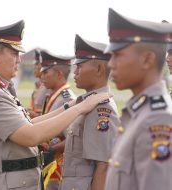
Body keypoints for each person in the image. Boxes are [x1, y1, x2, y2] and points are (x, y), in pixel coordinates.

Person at [0, 20, 111, 190]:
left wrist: (69, 106)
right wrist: (80, 108)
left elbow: (27, 124)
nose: (19, 60)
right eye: (14, 53)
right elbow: (30, 135)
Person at [104, 8, 172, 190]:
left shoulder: (157, 119)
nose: (110, 64)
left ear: (147, 60)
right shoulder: (139, 111)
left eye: (118, 55)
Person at [59, 34, 120, 190]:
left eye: (79, 66)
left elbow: (104, 166)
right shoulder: (87, 103)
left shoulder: (101, 109)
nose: (75, 72)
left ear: (99, 69)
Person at [39, 49, 76, 190]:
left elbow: (72, 138)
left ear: (59, 74)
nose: (42, 76)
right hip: (49, 164)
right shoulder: (54, 95)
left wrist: (51, 149)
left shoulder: (67, 99)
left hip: (58, 167)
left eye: (45, 72)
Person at [27, 49, 50, 118]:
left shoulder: (48, 87)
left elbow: (46, 115)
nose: (34, 67)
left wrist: (29, 113)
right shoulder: (38, 85)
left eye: (37, 64)